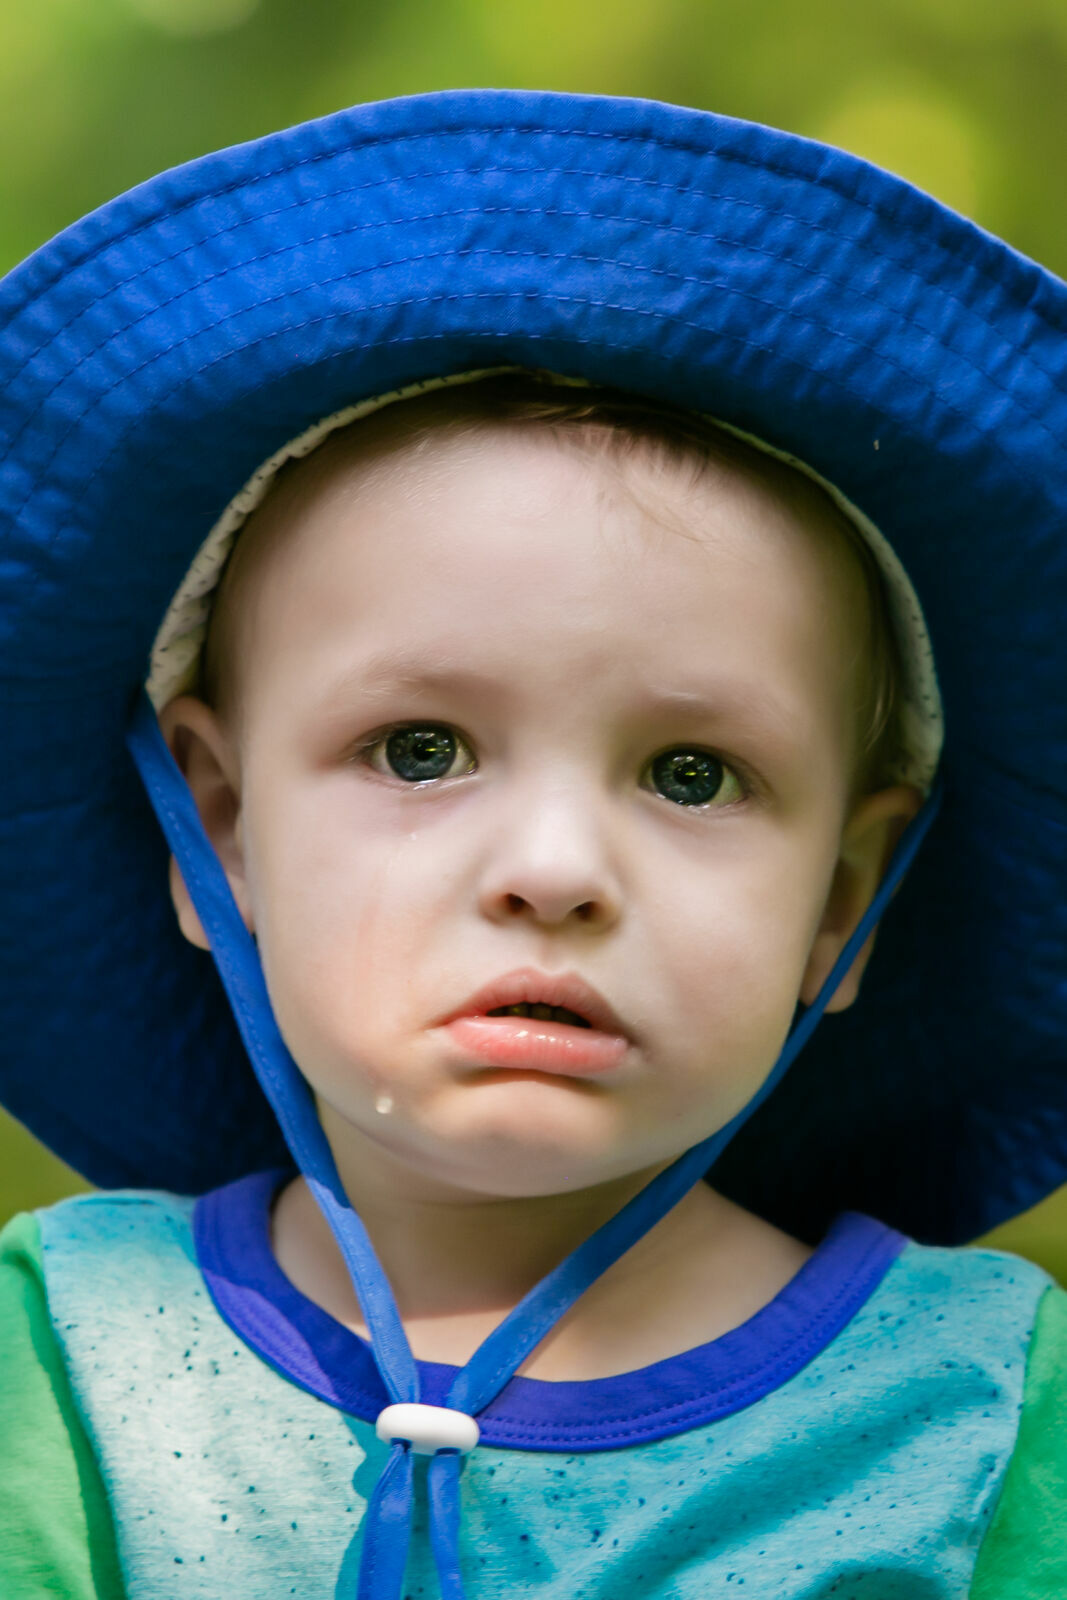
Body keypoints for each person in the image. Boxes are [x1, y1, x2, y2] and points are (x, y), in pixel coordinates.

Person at [0, 88, 1064, 1600]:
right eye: (420, 750)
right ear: (221, 827)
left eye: (692, 774)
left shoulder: (982, 1414)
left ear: (842, 900)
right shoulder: (65, 1354)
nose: (556, 872)